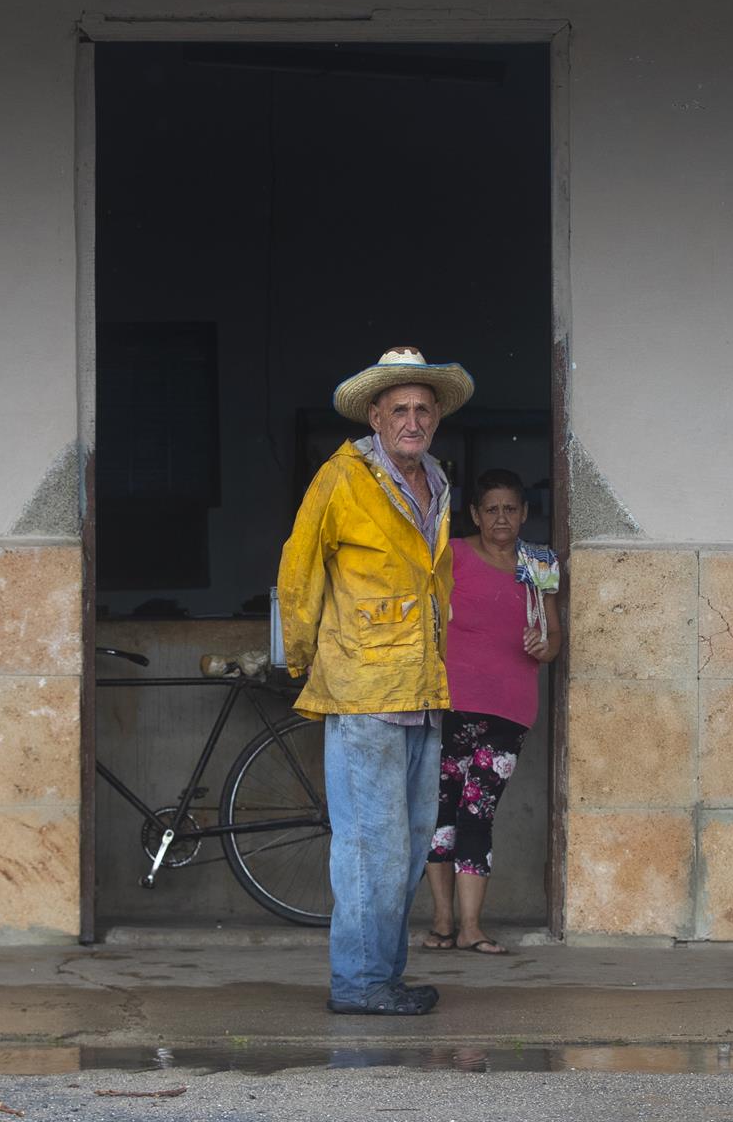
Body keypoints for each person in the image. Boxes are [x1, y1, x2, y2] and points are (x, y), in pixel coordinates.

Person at [278, 346, 473, 1016]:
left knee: (409, 847)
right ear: (376, 417)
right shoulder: (342, 478)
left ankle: (381, 976)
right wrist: (303, 660)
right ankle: (360, 983)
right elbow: (298, 570)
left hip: (421, 688)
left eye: (423, 409)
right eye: (400, 410)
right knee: (370, 848)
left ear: (436, 417)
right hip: (363, 687)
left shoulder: (436, 479)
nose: (413, 421)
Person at [422, 469, 559, 956]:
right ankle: (443, 921)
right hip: (451, 704)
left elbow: (553, 640)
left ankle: (471, 927)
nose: (502, 518)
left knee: (476, 812)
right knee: (442, 811)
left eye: (511, 509)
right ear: (476, 515)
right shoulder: (452, 555)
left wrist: (543, 645)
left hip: (509, 709)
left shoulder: (538, 562)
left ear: (524, 514)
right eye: (492, 509)